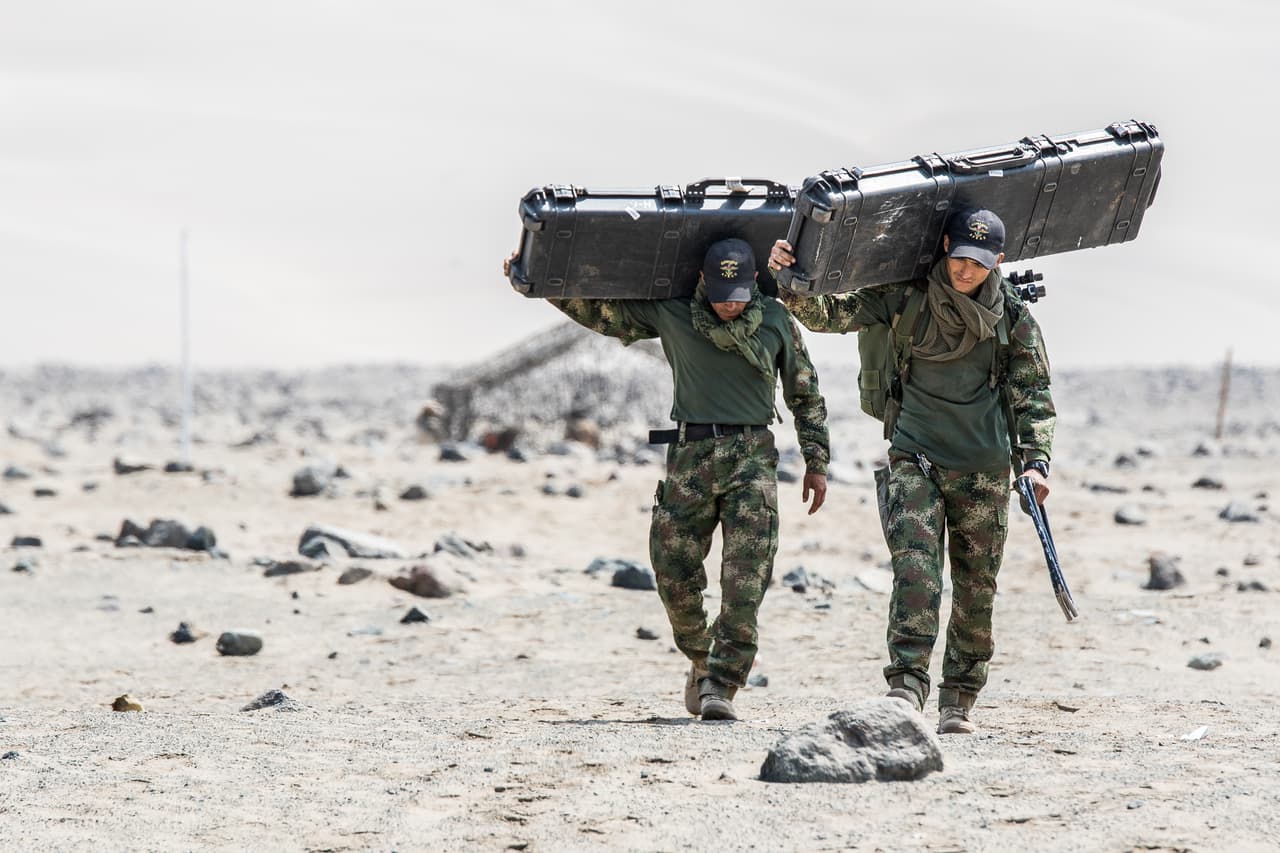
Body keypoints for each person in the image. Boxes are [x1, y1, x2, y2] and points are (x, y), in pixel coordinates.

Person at [504, 238, 830, 721]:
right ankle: (702, 657)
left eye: (739, 292)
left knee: (746, 578)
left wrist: (817, 462)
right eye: (721, 292)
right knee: (672, 571)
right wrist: (538, 285)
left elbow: (805, 395)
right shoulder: (673, 314)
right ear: (702, 281)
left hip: (751, 459)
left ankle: (722, 683)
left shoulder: (777, 321)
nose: (730, 302)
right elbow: (604, 316)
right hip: (689, 457)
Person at [768, 209, 1055, 734]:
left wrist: (1036, 462)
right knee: (917, 572)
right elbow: (826, 313)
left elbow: (1033, 393)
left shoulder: (1012, 316)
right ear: (944, 245)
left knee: (976, 586)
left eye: (980, 263)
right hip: (914, 456)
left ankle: (960, 698)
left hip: (984, 468)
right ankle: (906, 685)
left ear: (1000, 262)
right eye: (961, 259)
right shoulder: (905, 296)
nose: (967, 271)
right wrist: (789, 278)